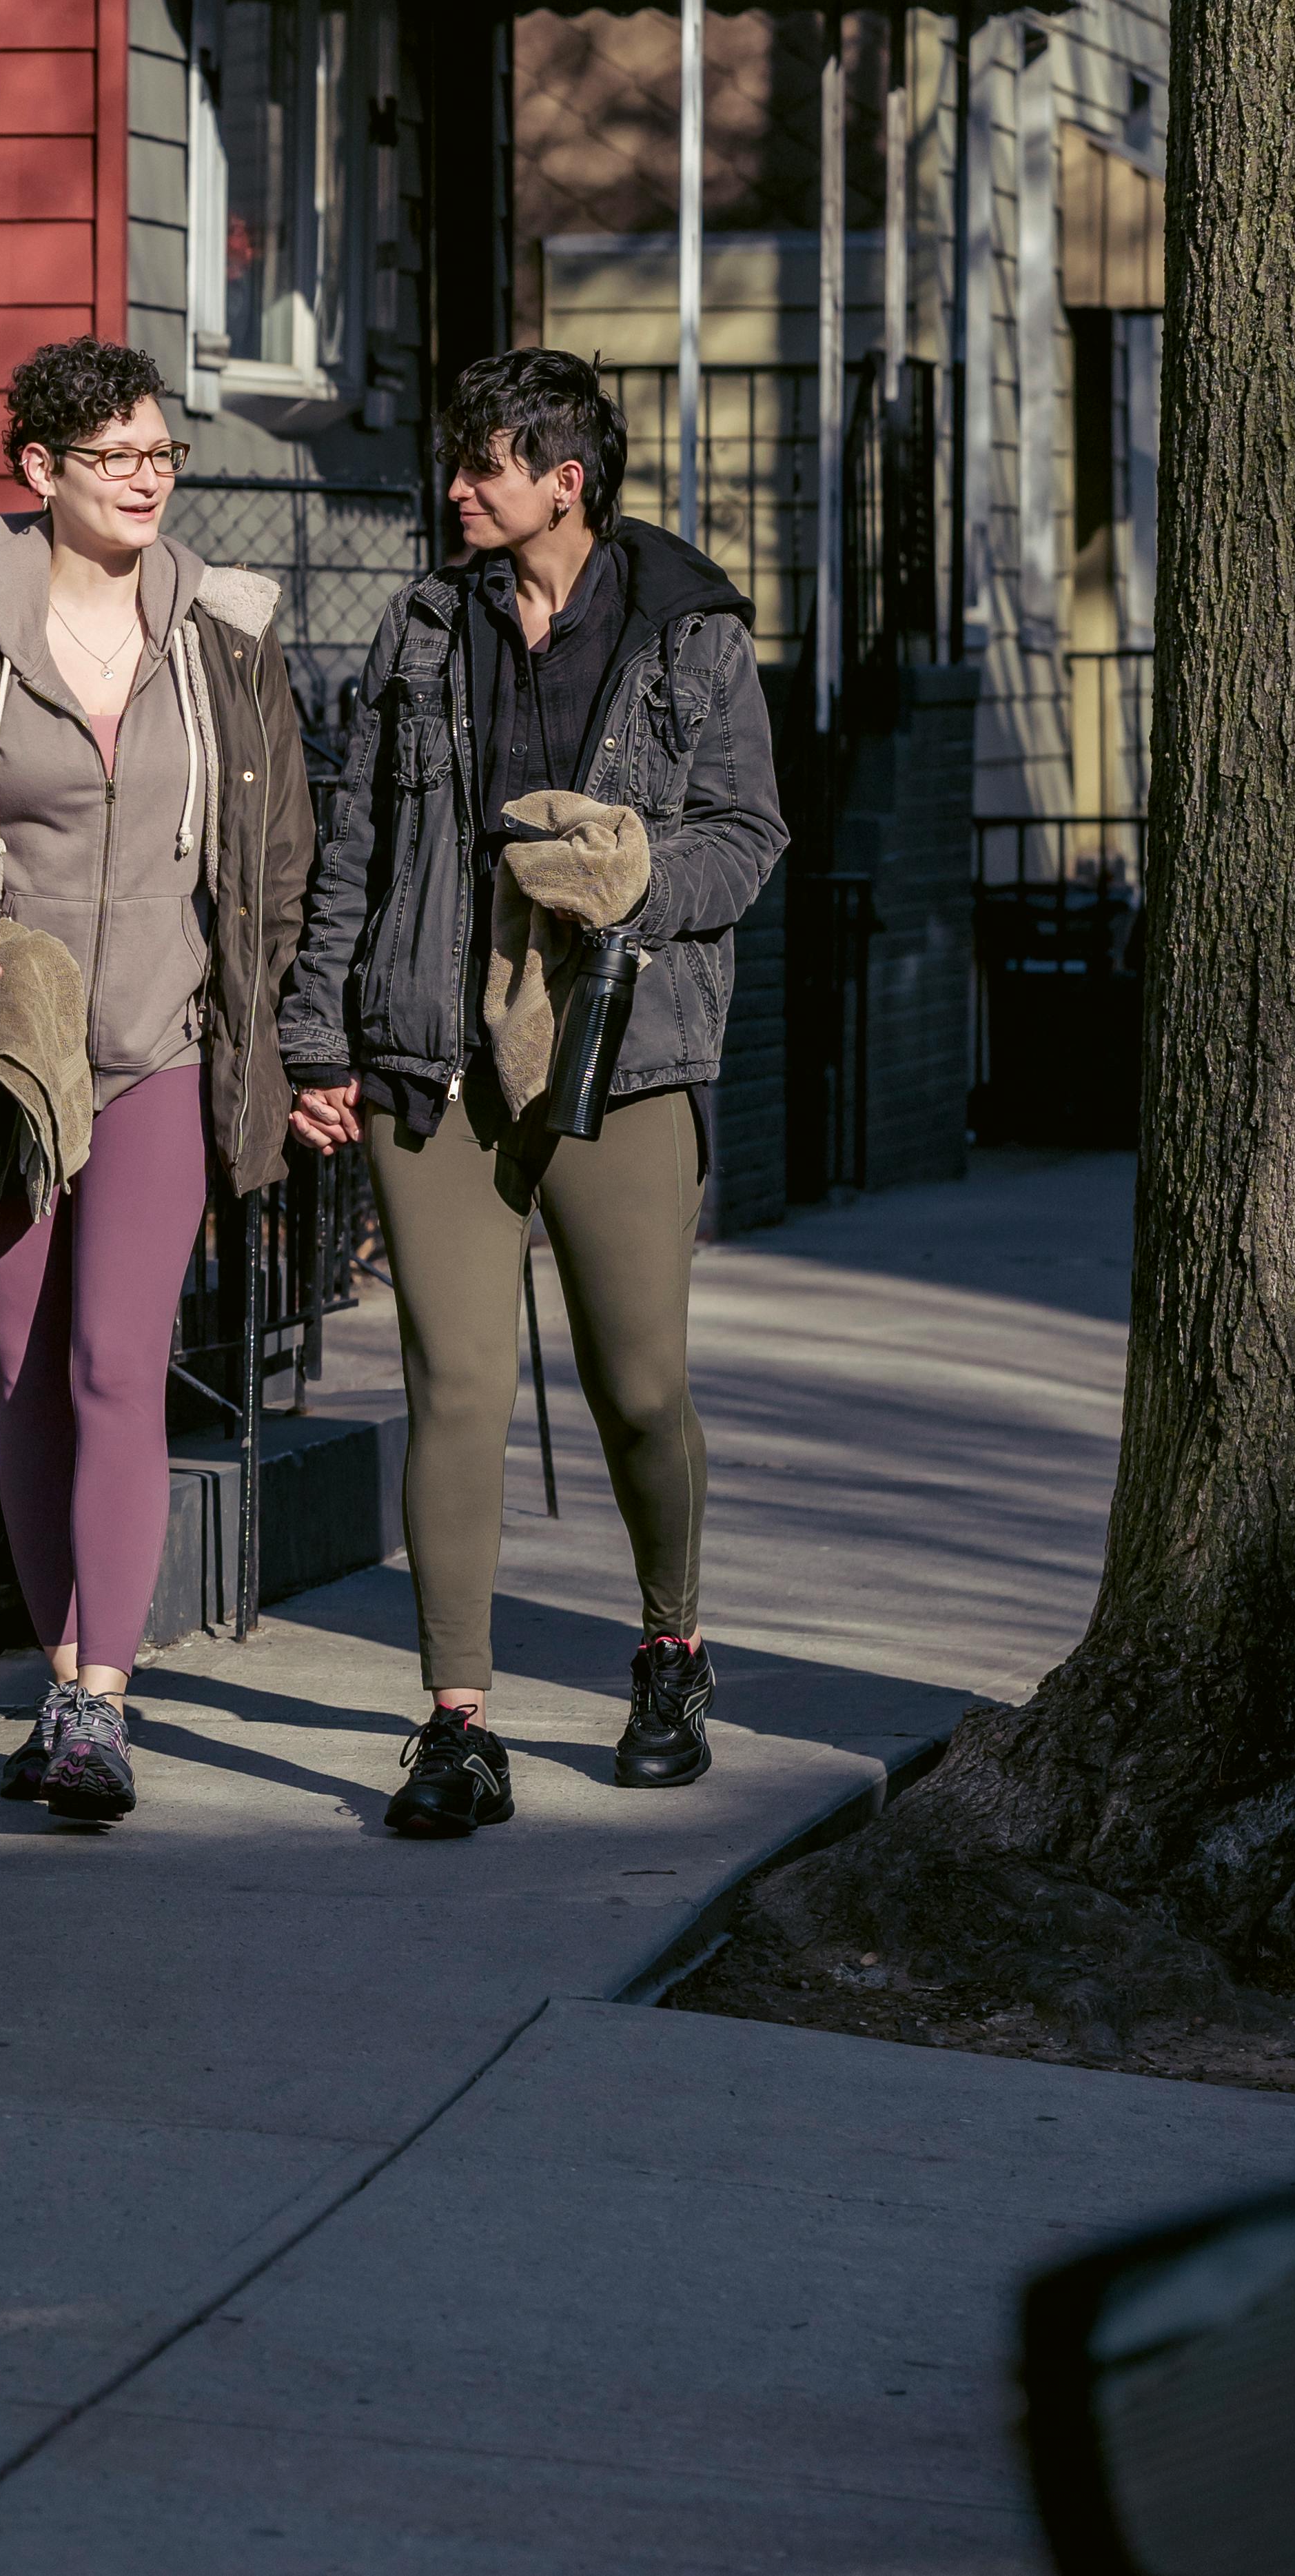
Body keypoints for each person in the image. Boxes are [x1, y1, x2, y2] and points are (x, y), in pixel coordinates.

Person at [283, 349, 786, 1840]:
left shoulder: (689, 629)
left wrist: (639, 880)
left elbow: (746, 832)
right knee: (455, 1388)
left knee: (638, 1385)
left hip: (619, 1045)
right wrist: (321, 1038)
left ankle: (671, 1648)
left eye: (483, 464)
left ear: (562, 478)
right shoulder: (423, 624)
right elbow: (357, 839)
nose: (456, 488)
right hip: (429, 1041)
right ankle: (455, 1723)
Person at [0, 337, 314, 1823]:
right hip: (13, 1059)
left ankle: (101, 1698)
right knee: (24, 1365)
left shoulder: (225, 636)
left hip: (166, 1053)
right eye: (117, 458)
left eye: (162, 454)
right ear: (40, 471)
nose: (148, 479)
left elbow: (278, 860)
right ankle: (62, 1674)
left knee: (117, 1360)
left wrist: (272, 1029)